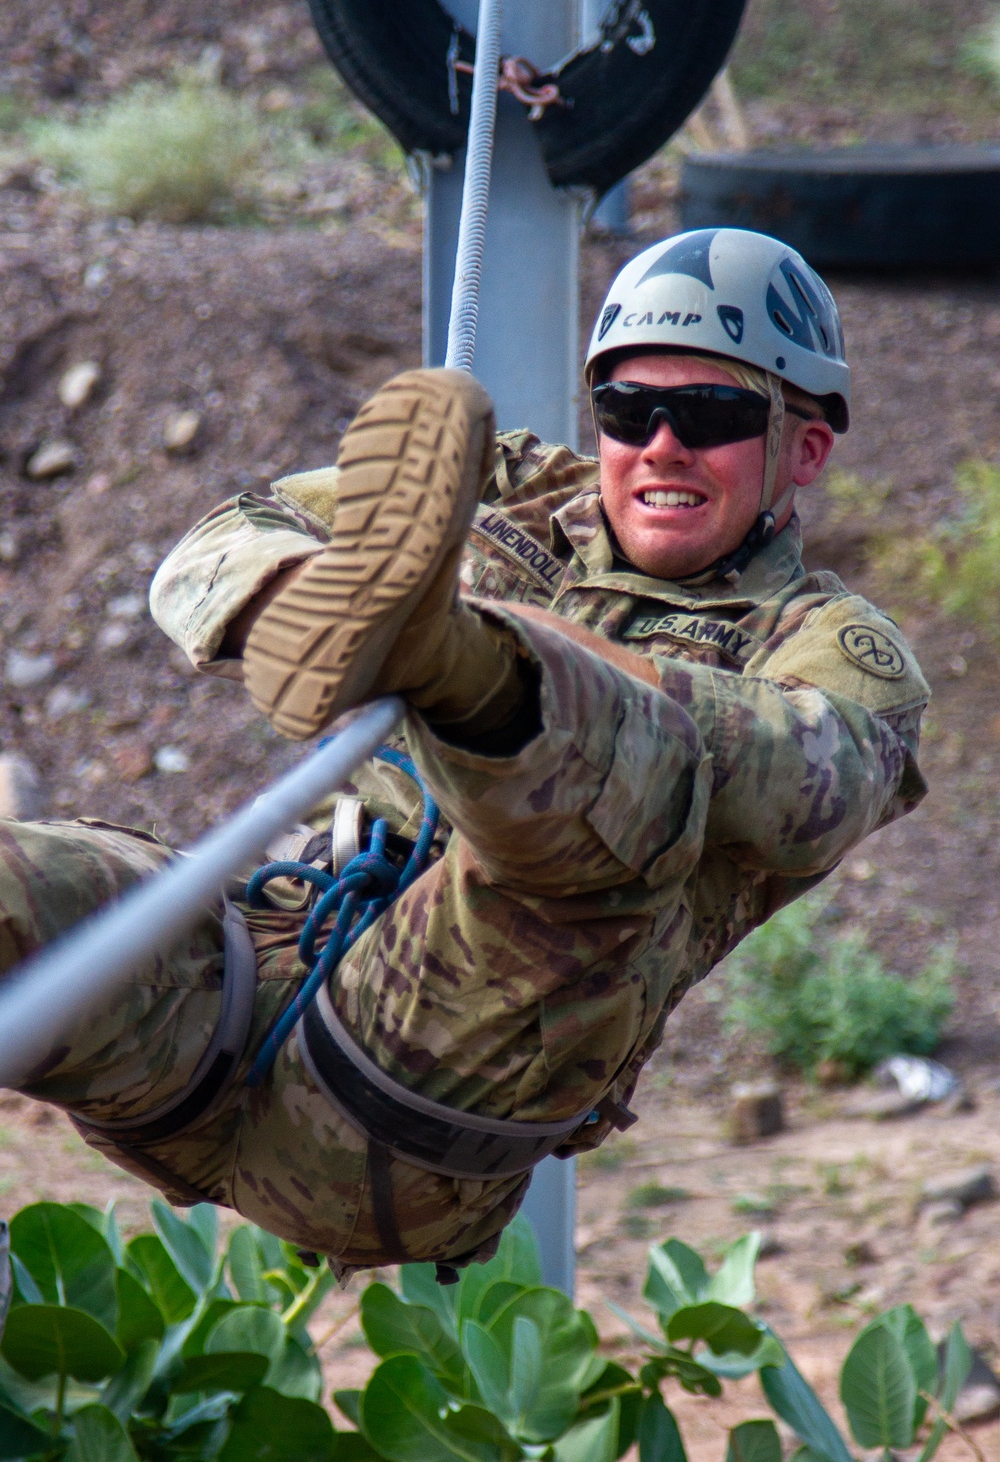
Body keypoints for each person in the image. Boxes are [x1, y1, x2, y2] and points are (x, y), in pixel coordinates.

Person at [0, 229, 928, 1280]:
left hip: (404, 1115)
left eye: (711, 415)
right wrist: (302, 599)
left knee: (603, 834)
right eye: (629, 410)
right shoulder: (501, 487)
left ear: (803, 449)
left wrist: (475, 659)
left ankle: (480, 671)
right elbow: (223, 536)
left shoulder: (836, 653)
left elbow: (810, 783)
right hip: (232, 988)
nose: (661, 445)